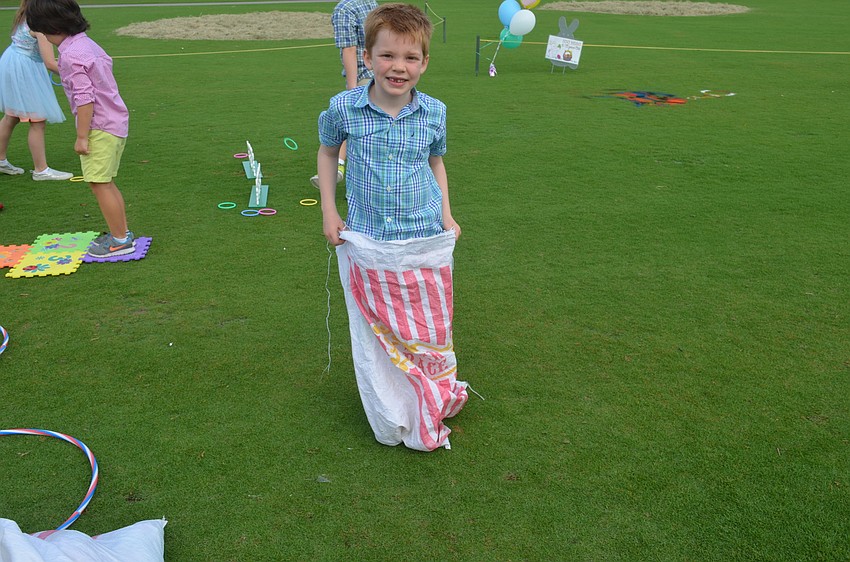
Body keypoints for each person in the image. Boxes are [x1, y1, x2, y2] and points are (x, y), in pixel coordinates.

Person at [317, 3, 467, 451]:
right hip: (369, 234)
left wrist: (446, 213)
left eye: (410, 58)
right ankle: (394, 406)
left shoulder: (434, 113)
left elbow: (435, 162)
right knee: (379, 328)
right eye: (387, 56)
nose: (398, 68)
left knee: (427, 327)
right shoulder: (344, 107)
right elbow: (327, 153)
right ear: (367, 57)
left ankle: (431, 391)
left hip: (423, 233)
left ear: (424, 63)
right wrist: (329, 210)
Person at [27, 0, 135, 257]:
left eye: (42, 31)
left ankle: (120, 241)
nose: (43, 36)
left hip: (100, 127)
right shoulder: (86, 44)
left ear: (52, 27)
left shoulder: (72, 54)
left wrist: (82, 137)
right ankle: (122, 233)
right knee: (105, 183)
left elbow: (85, 99)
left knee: (99, 183)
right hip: (114, 122)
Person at [0, 0, 73, 181]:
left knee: (12, 116)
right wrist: (76, 73)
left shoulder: (26, 13)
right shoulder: (40, 24)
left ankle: (0, 160)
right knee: (37, 120)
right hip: (24, 67)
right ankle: (41, 170)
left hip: (14, 61)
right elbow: (49, 62)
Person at [309, 0, 377, 189]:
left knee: (354, 125)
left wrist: (352, 88)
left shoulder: (344, 9)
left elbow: (349, 48)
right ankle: (339, 166)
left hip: (365, 75)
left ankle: (340, 168)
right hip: (381, 71)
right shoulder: (369, 1)